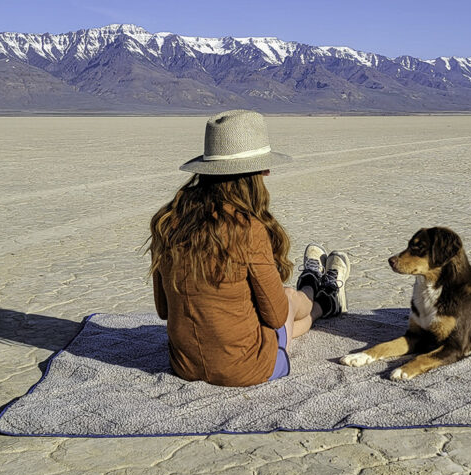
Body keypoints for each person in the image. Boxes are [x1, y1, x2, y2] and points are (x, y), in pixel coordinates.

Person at [147, 110, 350, 387]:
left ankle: (316, 292)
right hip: (248, 369)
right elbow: (277, 316)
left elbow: (163, 309)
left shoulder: (167, 222)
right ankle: (321, 300)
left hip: (184, 364)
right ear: (263, 170)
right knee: (287, 299)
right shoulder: (247, 229)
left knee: (279, 302)